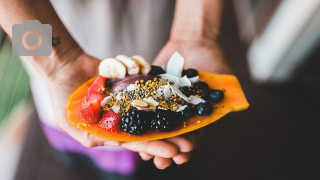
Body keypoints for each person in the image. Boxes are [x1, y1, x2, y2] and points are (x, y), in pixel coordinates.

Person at [0, 0, 231, 177]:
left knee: (140, 167)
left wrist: (196, 36)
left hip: (158, 33)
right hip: (48, 45)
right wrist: (57, 64)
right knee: (72, 156)